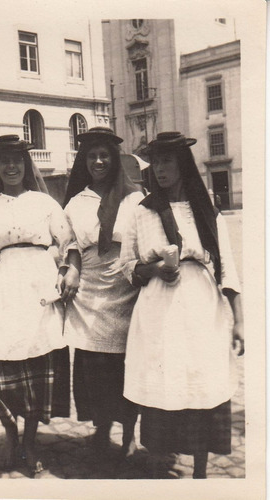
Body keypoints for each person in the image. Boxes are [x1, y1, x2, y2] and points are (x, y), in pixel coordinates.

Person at [120, 131, 244, 478]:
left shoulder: (207, 211)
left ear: (183, 164)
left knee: (201, 381)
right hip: (159, 309)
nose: (160, 169)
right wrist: (156, 268)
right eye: (156, 161)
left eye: (167, 161)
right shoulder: (142, 213)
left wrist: (240, 321)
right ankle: (161, 464)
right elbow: (128, 267)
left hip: (202, 306)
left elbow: (228, 270)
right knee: (163, 383)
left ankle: (201, 471)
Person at [0, 135, 78, 477]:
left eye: (17, 160)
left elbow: (68, 241)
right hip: (3, 287)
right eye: (4, 161)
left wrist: (67, 270)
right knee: (3, 359)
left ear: (26, 165)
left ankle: (31, 440)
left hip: (38, 284)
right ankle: (11, 434)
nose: (11, 166)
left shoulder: (45, 203)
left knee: (38, 362)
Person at [60, 126, 144, 459]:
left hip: (125, 288)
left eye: (104, 155)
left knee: (127, 365)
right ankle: (102, 428)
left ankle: (129, 435)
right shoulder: (76, 202)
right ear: (84, 160)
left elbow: (143, 239)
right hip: (90, 293)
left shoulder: (134, 198)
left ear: (115, 159)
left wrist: (134, 265)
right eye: (92, 156)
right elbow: (70, 246)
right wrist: (74, 269)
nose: (98, 161)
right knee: (94, 369)